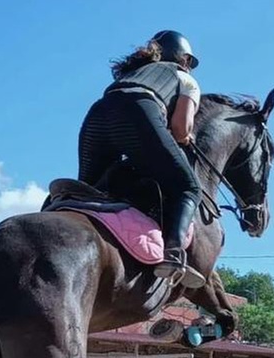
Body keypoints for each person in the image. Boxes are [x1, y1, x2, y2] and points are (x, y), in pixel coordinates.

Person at [78, 30, 205, 288]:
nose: (189, 67)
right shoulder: (186, 80)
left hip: (98, 114)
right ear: (182, 59)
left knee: (84, 192)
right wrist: (186, 137)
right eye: (189, 62)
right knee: (189, 187)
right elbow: (180, 131)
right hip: (138, 111)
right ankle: (174, 254)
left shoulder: (131, 74)